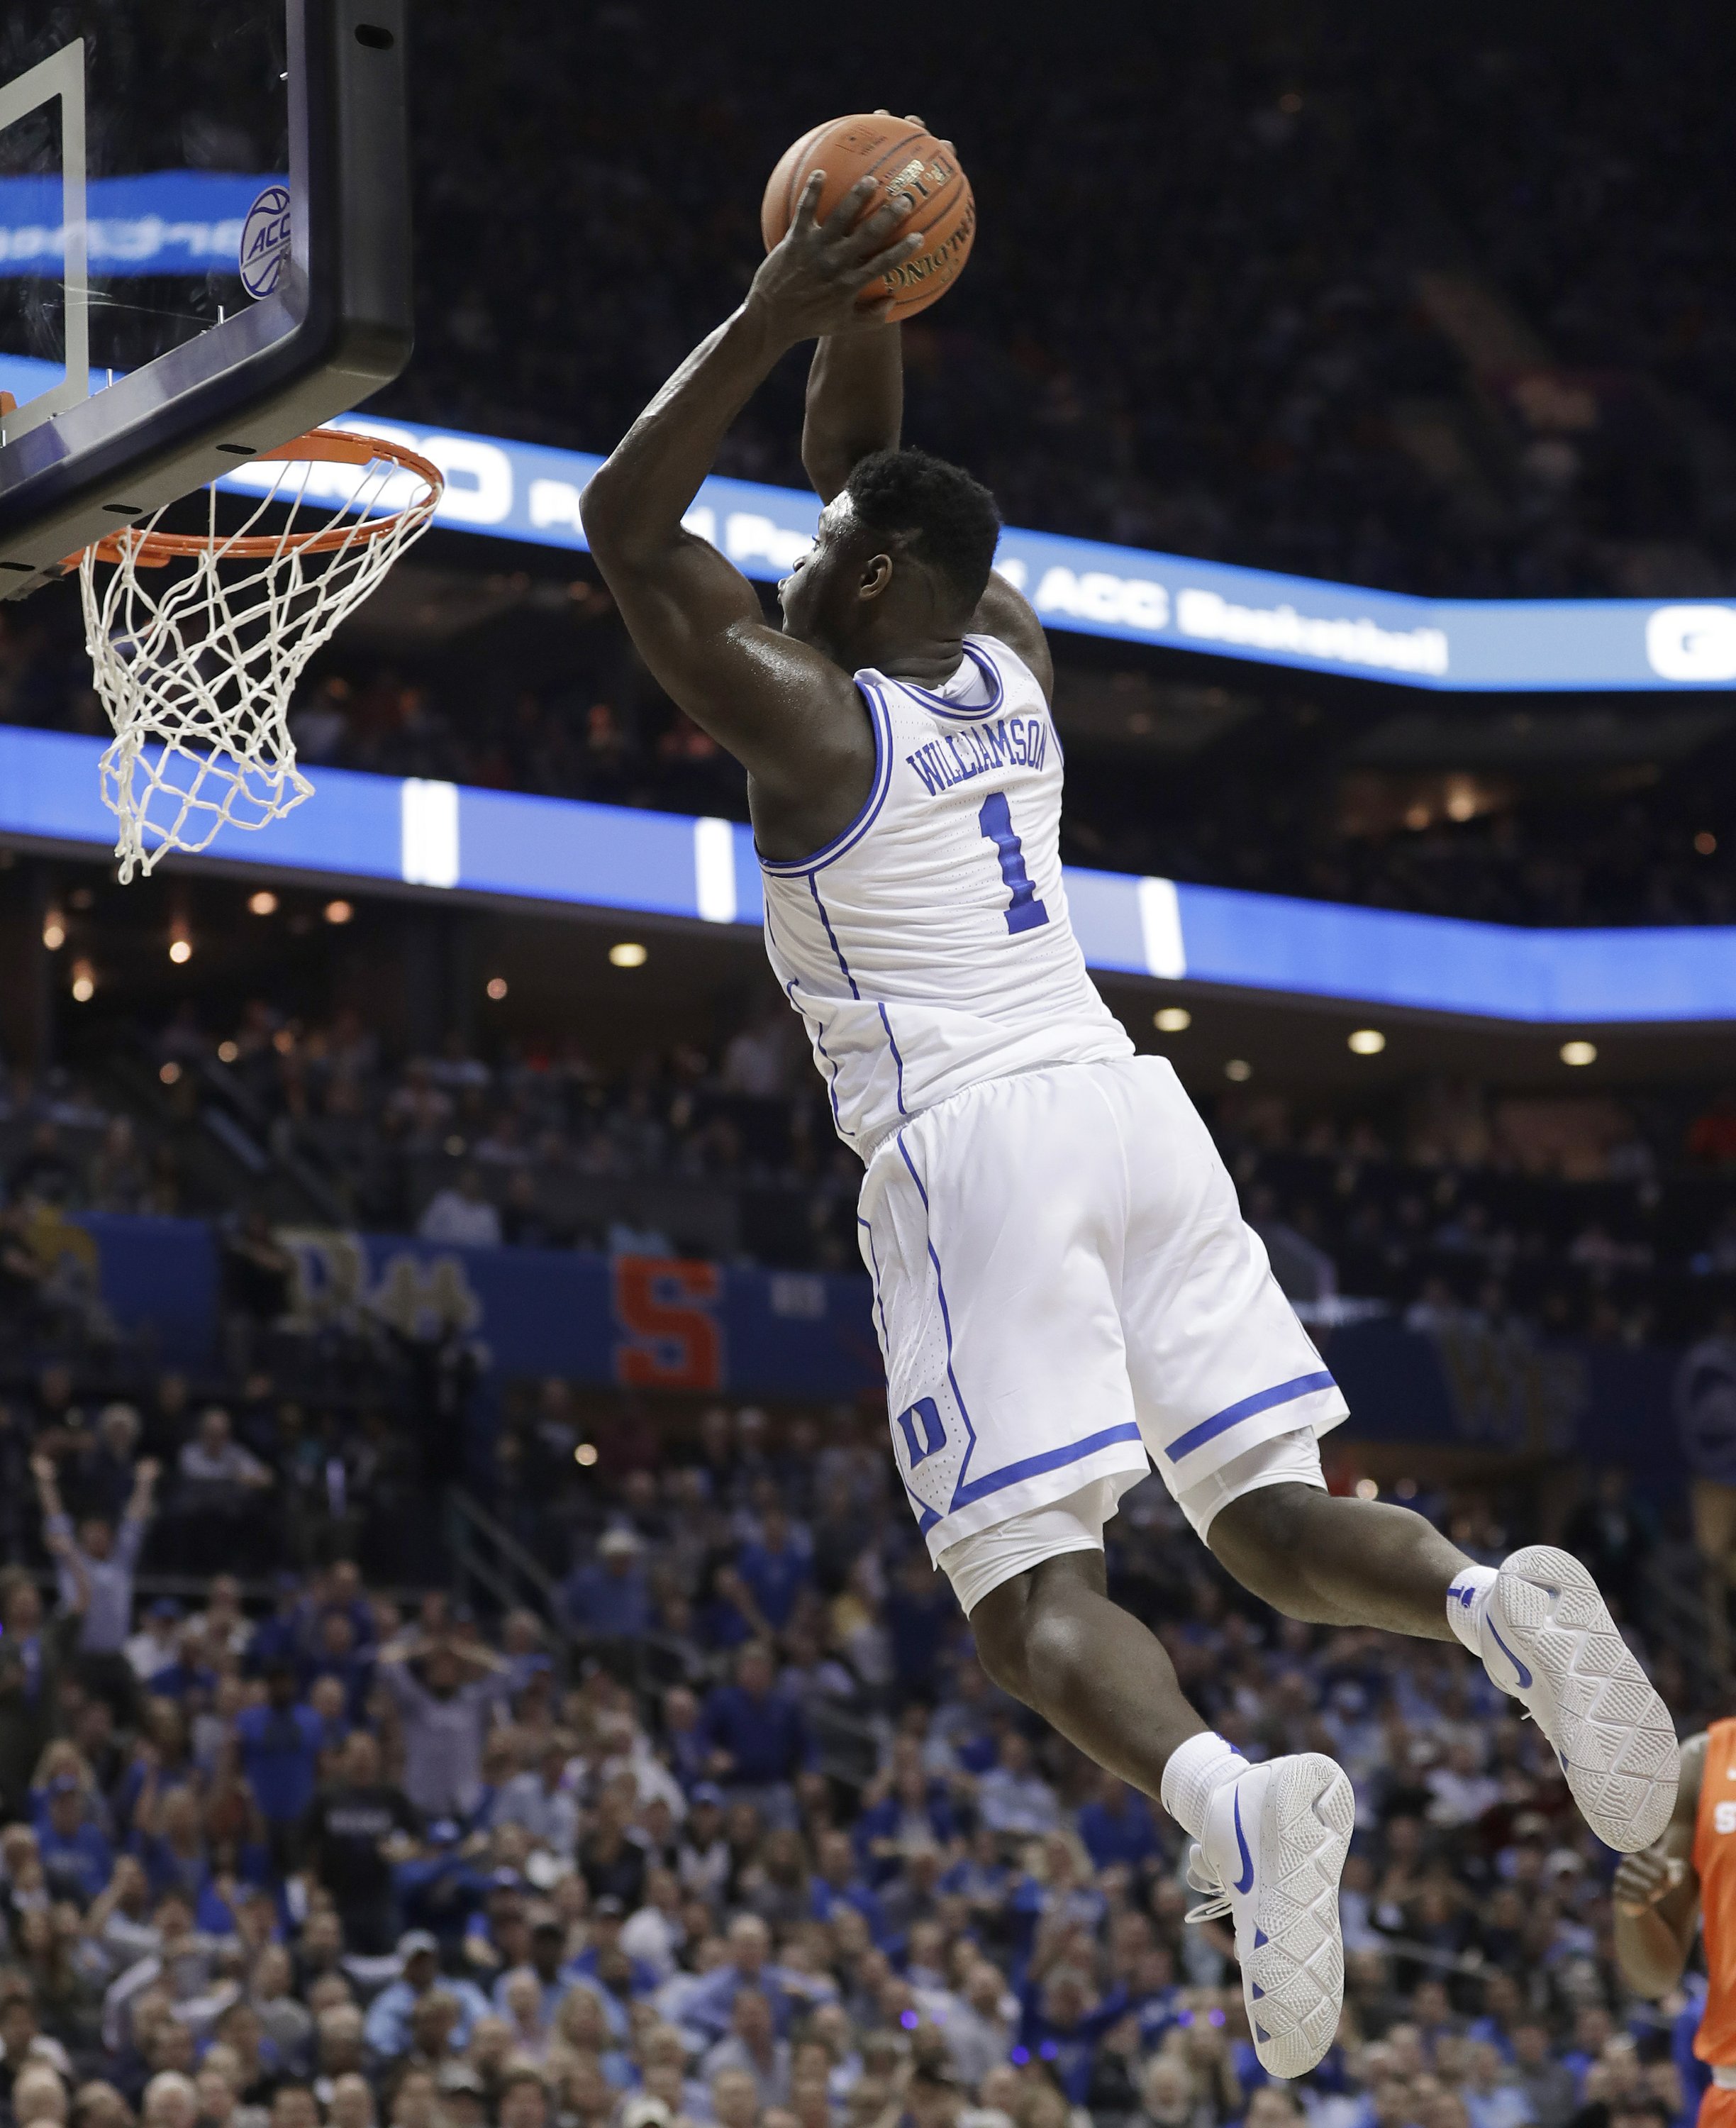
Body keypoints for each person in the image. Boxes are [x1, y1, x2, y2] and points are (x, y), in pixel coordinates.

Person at [579, 154, 1679, 2078]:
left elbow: (619, 522)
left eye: (823, 561)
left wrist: (774, 306)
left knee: (1029, 1608)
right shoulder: (1010, 652)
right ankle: (1488, 1604)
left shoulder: (810, 719)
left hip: (973, 1150)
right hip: (1132, 1106)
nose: (792, 571)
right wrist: (870, 292)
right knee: (1265, 1516)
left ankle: (1229, 1800)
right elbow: (871, 467)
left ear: (878, 581)